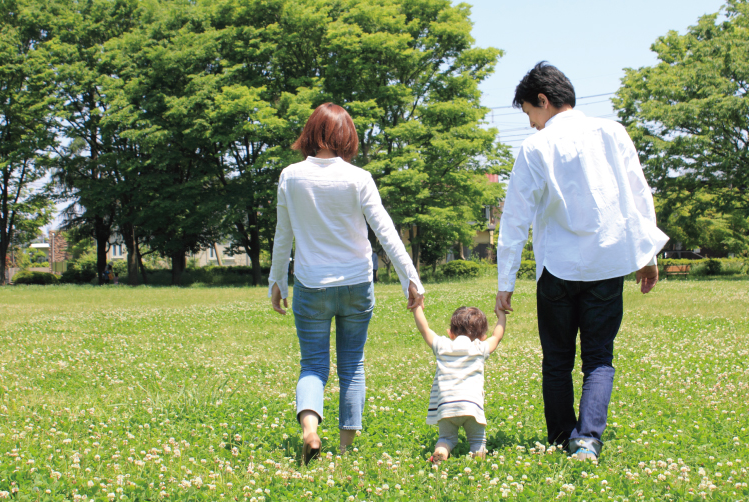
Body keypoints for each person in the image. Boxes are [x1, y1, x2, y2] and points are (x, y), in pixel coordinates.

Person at [496, 62, 669, 461]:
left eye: (529, 115)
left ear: (542, 100)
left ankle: (560, 437)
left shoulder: (536, 147)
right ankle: (588, 439)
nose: (532, 125)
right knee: (599, 357)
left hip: (556, 268)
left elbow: (515, 217)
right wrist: (648, 256)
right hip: (607, 265)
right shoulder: (612, 132)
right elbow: (639, 195)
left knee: (557, 359)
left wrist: (506, 282)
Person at [269, 103, 425, 465]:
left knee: (312, 366)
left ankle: (310, 431)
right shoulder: (359, 178)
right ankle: (345, 450)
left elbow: (283, 233)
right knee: (352, 366)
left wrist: (278, 280)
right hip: (356, 283)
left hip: (312, 284)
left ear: (311, 133)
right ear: (347, 137)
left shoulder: (290, 176)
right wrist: (410, 279)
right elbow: (385, 231)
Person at [412, 305, 506, 462]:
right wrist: (501, 316)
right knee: (477, 441)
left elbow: (424, 329)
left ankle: (441, 451)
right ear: (483, 336)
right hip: (472, 406)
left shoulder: (442, 346)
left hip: (446, 405)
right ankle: (478, 460)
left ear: (450, 333)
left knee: (446, 438)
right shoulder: (480, 348)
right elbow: (497, 336)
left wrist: (417, 308)